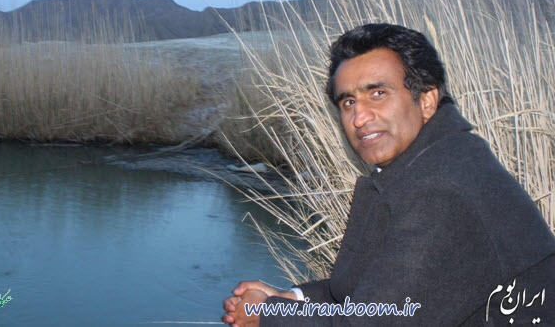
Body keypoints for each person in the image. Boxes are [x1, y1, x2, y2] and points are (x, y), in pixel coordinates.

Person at [222, 23, 555, 326]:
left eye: (378, 93)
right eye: (348, 102)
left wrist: (270, 315)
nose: (359, 117)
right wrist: (291, 299)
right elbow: (373, 293)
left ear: (427, 99)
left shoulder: (442, 189)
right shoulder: (431, 161)